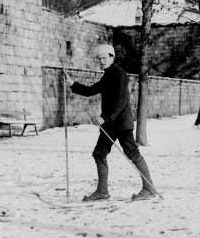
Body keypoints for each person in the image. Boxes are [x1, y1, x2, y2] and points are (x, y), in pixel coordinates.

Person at [63, 44, 157, 202]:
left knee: (132, 153)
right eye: (99, 59)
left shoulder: (120, 75)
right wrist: (72, 83)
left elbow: (121, 101)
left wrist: (104, 117)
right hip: (110, 125)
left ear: (112, 57)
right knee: (99, 154)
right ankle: (102, 191)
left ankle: (149, 188)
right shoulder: (107, 75)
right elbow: (90, 90)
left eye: (104, 58)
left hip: (121, 124)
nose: (101, 61)